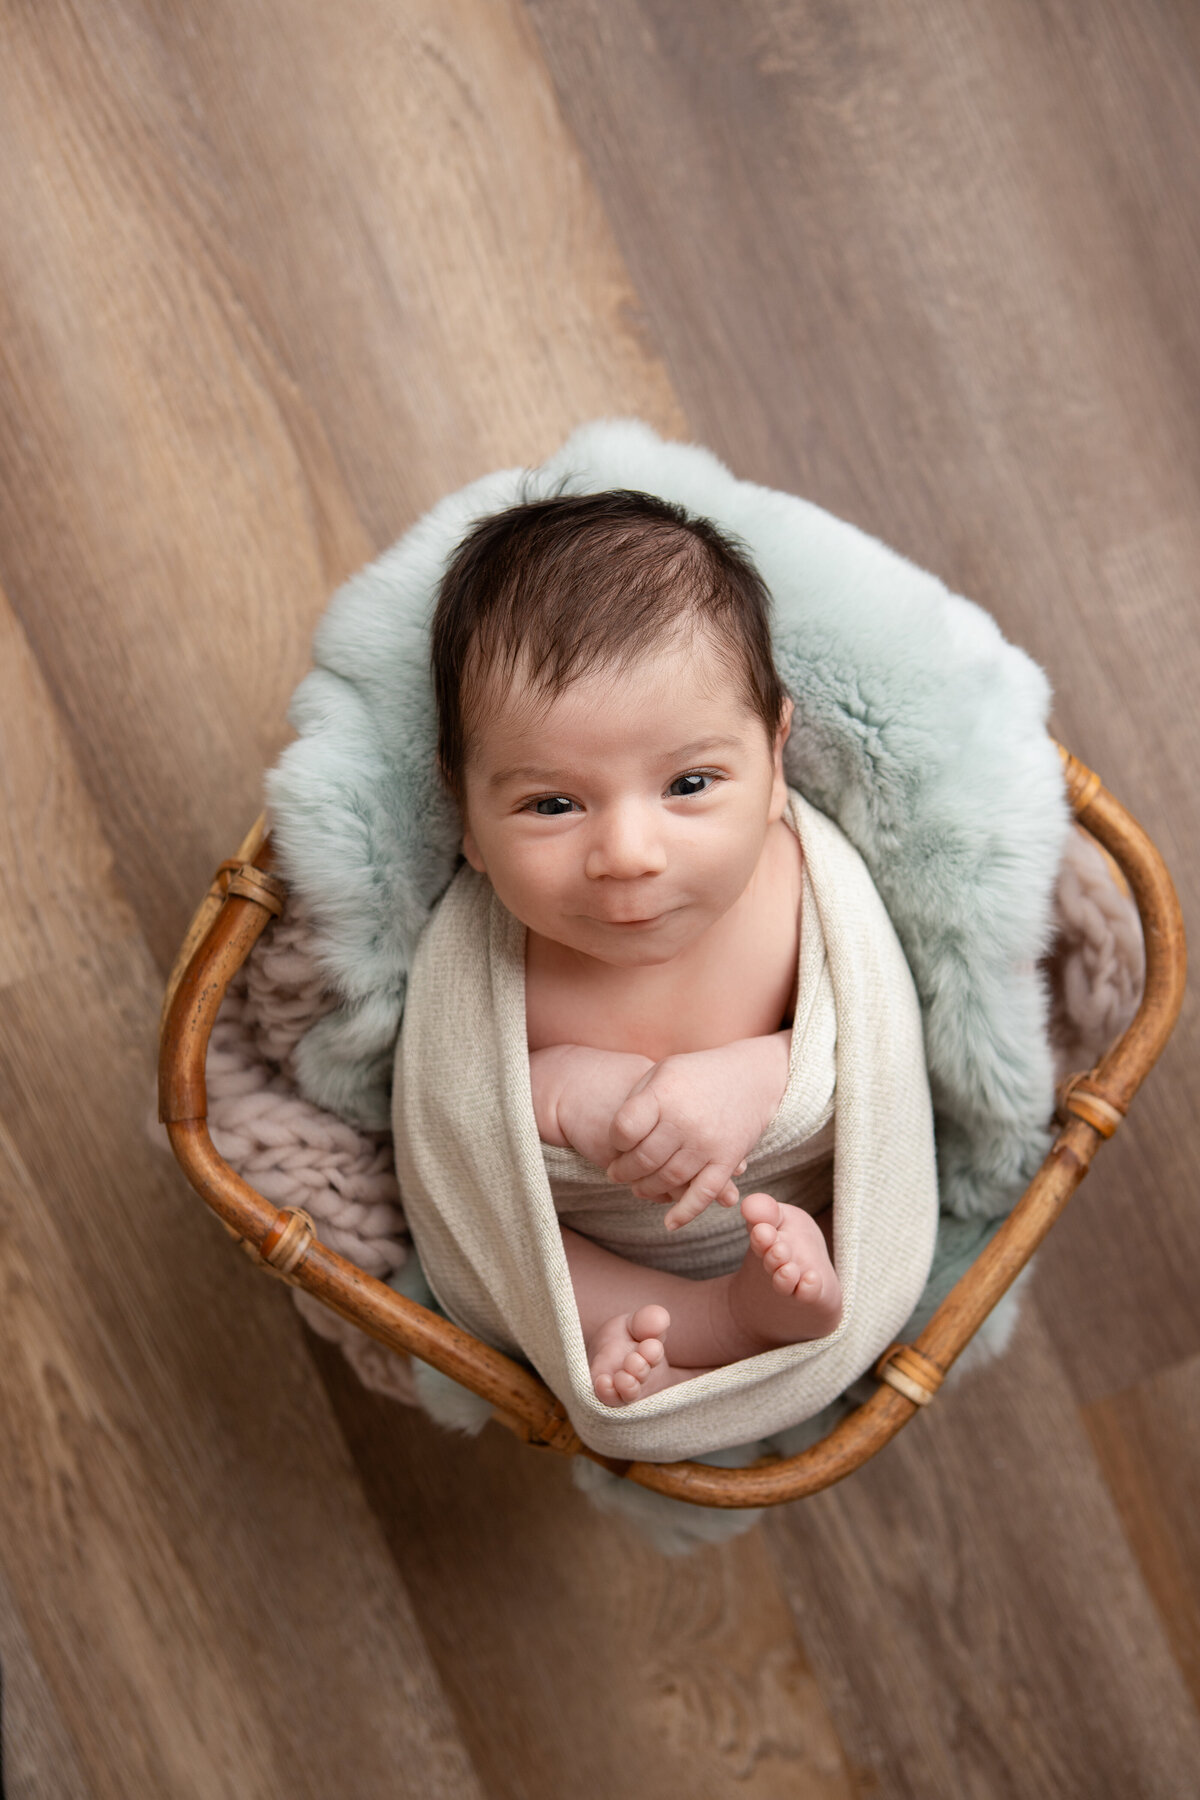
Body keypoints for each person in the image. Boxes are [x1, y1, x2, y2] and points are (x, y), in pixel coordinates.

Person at [429, 488, 842, 1406]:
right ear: (465, 812)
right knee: (510, 1245)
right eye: (552, 804)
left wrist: (766, 1074)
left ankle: (768, 1312)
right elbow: (452, 1125)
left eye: (689, 783)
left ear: (775, 760)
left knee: (849, 1208)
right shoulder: (492, 957)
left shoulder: (797, 885)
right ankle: (709, 1329)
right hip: (605, 1244)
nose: (626, 856)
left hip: (791, 1202)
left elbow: (882, 1044)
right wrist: (559, 1087)